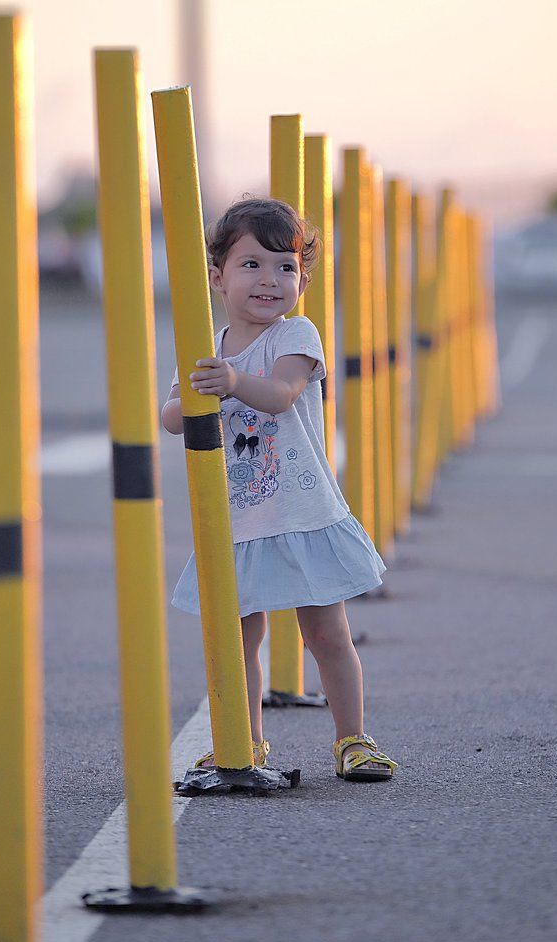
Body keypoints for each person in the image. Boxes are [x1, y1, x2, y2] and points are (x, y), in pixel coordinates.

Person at [161, 197, 398, 781]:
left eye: (285, 267)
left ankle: (353, 739)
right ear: (217, 277)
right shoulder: (209, 344)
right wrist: (184, 403)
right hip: (237, 523)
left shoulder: (296, 334)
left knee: (325, 632)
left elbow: (283, 393)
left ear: (302, 281)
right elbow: (171, 414)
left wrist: (235, 382)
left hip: (301, 511)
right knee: (237, 638)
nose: (269, 280)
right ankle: (245, 744)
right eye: (251, 265)